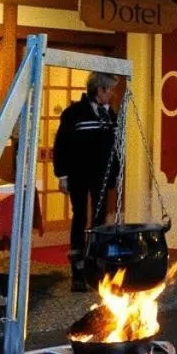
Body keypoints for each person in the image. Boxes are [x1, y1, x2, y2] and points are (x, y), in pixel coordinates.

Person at [53, 72, 121, 292]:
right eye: (109, 90)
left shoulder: (108, 114)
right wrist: (62, 175)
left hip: (101, 174)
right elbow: (61, 144)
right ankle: (78, 267)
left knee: (99, 218)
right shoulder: (73, 113)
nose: (112, 94)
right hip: (79, 173)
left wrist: (115, 172)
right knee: (80, 216)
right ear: (99, 90)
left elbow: (114, 146)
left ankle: (97, 263)